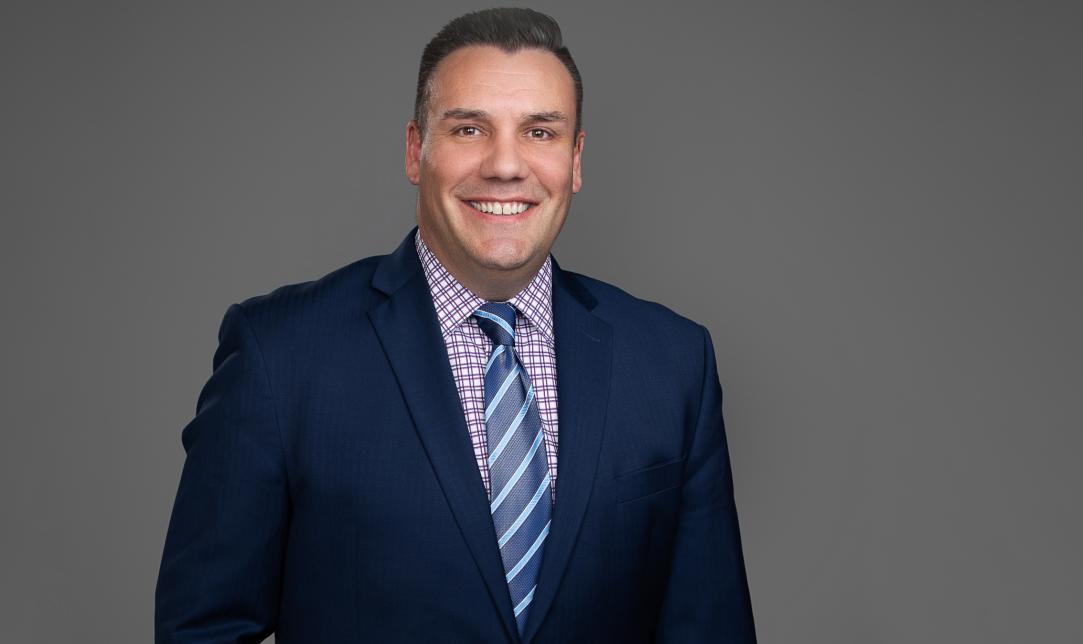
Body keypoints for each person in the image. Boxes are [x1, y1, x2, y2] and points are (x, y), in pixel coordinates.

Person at [155, 7, 755, 643]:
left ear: (576, 160)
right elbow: (203, 631)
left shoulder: (672, 363)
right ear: (416, 151)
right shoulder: (280, 354)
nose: (505, 166)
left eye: (540, 133)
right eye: (470, 129)